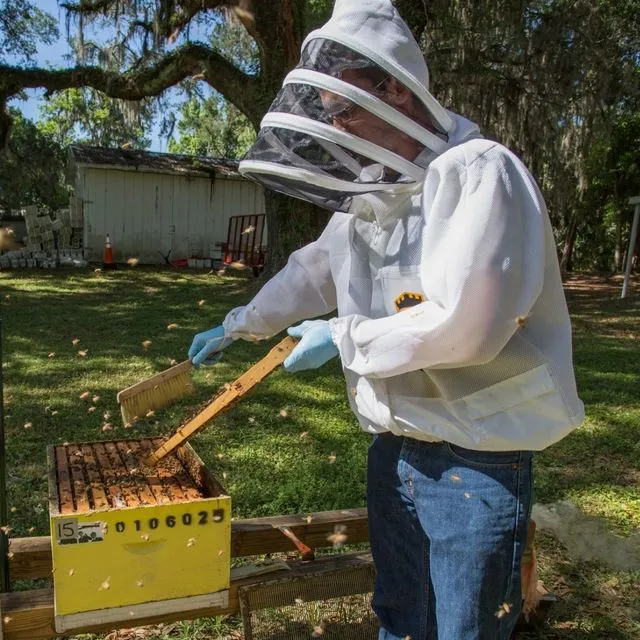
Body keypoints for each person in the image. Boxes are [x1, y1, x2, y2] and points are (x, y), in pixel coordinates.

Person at [188, 1, 584, 638]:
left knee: (465, 626)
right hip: (394, 444)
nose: (337, 126)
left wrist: (342, 337)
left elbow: (473, 327)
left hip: (476, 453)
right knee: (400, 614)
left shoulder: (480, 173)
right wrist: (241, 322)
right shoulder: (374, 190)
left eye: (344, 110)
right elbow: (314, 269)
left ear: (395, 90)